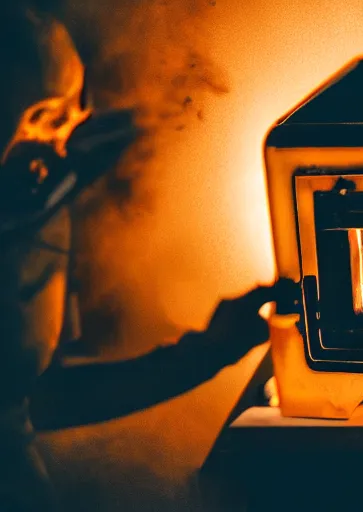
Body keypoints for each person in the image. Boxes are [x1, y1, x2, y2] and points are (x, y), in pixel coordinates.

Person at [0, 3, 297, 510]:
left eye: (70, 118)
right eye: (43, 121)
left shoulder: (36, 217)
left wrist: (205, 353)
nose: (61, 144)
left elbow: (35, 400)